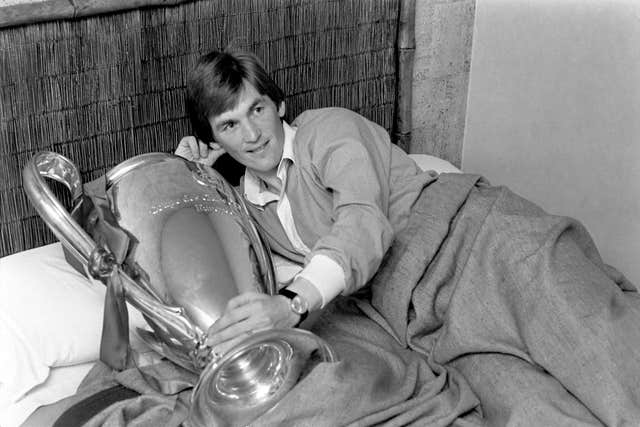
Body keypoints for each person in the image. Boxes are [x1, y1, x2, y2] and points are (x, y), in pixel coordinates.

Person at [176, 49, 640, 425]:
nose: (253, 134)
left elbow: (363, 222)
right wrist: (189, 177)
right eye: (230, 125)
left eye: (256, 109)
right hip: (421, 321)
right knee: (529, 408)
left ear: (278, 105)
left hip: (474, 243)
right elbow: (227, 269)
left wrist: (295, 303)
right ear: (217, 140)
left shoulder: (327, 130)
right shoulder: (249, 208)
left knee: (604, 354)